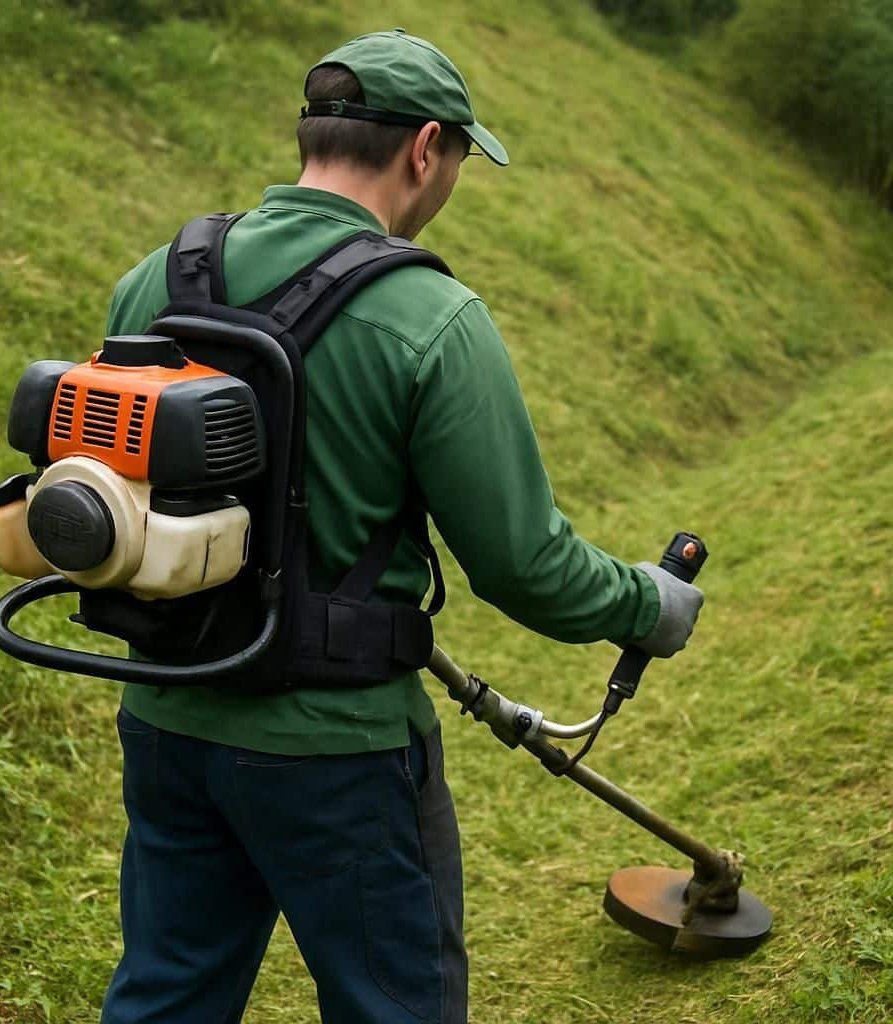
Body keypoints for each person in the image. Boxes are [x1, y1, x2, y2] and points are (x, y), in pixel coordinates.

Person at [99, 28, 703, 1024]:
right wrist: (650, 602)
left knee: (166, 994)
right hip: (340, 751)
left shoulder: (157, 277)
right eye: (462, 156)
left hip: (168, 721)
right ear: (426, 148)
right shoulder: (429, 316)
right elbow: (522, 564)